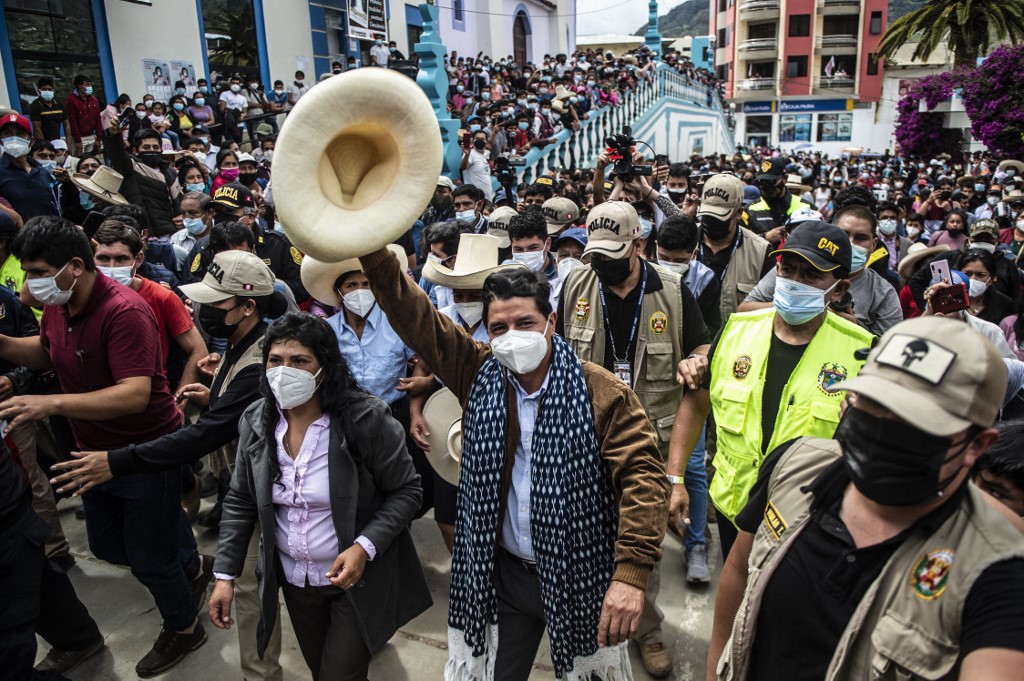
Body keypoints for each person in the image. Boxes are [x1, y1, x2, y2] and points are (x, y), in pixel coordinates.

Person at [707, 316, 1024, 681]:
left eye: (915, 420)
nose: (883, 426)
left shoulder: (998, 565)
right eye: (872, 402)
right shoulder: (796, 463)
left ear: (976, 445)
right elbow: (736, 574)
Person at [52, 250, 289, 681]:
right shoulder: (240, 343)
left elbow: (205, 434)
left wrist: (119, 461)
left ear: (248, 306)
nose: (202, 311)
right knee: (122, 546)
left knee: (249, 588)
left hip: (260, 490)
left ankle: (257, 671)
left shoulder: (262, 363)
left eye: (215, 303)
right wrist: (212, 395)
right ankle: (189, 566)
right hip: (241, 478)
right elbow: (228, 414)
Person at [0, 216, 209, 677]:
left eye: (37, 271)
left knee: (148, 560)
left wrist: (47, 402)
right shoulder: (61, 305)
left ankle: (185, 626)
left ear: (73, 267)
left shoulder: (124, 312)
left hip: (143, 450)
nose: (30, 284)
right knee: (110, 546)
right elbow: (47, 350)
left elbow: (135, 392)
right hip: (91, 449)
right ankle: (190, 564)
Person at [207, 312, 432, 680]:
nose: (284, 371)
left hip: (358, 580)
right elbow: (241, 500)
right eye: (275, 361)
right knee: (321, 670)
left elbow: (408, 491)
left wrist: (363, 547)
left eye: (299, 361)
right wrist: (225, 575)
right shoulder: (256, 421)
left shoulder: (366, 419)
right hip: (298, 583)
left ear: (324, 367)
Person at [557, 200, 711, 677]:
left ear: (640, 245)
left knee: (641, 544)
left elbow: (701, 345)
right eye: (595, 253)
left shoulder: (674, 291)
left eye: (612, 254)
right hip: (586, 441)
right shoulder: (576, 286)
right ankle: (590, 622)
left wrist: (698, 359)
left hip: (650, 447)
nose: (600, 263)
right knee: (583, 540)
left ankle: (646, 629)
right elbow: (558, 353)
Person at [668, 221, 875, 559]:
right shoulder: (737, 330)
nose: (795, 283)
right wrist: (676, 478)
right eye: (788, 270)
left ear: (839, 289)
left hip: (806, 519)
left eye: (811, 277)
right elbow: (696, 404)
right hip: (733, 505)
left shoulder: (861, 352)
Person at [740, 204, 905, 336]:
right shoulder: (793, 270)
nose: (850, 243)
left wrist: (851, 328)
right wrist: (791, 305)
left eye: (860, 238)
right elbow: (743, 310)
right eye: (843, 234)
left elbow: (888, 351)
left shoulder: (883, 293)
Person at [92, 222, 207, 388]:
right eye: (103, 259)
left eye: (121, 259)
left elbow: (198, 350)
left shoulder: (161, 297)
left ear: (138, 259)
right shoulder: (81, 298)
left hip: (154, 402)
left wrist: (179, 403)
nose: (111, 267)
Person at [692, 174, 773, 323]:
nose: (711, 223)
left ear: (739, 213)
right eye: (707, 216)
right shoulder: (686, 240)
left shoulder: (760, 252)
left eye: (719, 218)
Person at [103, 124, 181, 237]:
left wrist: (182, 217)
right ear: (135, 151)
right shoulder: (131, 167)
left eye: (155, 147)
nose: (152, 150)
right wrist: (114, 135)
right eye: (146, 148)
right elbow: (117, 154)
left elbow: (179, 202)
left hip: (171, 233)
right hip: (143, 234)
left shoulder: (170, 172)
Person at [0, 114, 60, 220]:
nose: (14, 138)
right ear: (1, 141)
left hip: (49, 232)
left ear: (31, 141)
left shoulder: (42, 171)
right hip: (18, 235)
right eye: (8, 133)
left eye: (20, 134)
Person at [745, 157, 813, 244]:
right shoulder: (749, 210)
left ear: (785, 179)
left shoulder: (807, 208)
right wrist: (764, 237)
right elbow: (740, 243)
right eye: (762, 182)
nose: (766, 186)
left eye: (771, 181)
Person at [63, 74, 103, 156]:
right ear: (80, 86)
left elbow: (98, 120)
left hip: (92, 136)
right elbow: (72, 123)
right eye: (87, 84)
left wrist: (98, 139)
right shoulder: (71, 101)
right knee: (80, 161)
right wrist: (78, 141)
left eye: (90, 84)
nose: (90, 87)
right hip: (79, 138)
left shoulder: (94, 100)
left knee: (93, 160)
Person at [29, 77, 67, 146]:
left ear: (53, 90)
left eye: (50, 89)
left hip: (58, 142)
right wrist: (46, 146)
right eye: (44, 89)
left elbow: (66, 124)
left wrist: (68, 142)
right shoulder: (35, 105)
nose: (47, 91)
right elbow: (37, 129)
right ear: (39, 90)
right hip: (42, 143)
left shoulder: (59, 104)